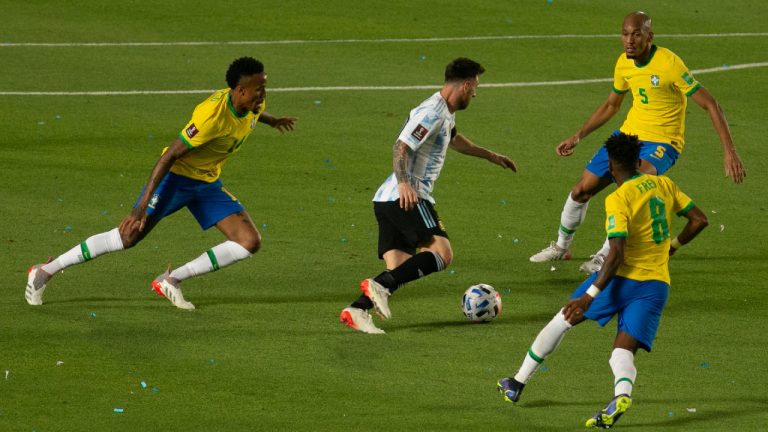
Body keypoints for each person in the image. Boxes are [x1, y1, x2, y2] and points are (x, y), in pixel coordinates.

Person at [25, 57, 297, 310]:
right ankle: (44, 272)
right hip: (176, 179)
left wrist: (273, 121)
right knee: (127, 237)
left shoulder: (252, 105)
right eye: (258, 89)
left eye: (264, 87)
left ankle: (171, 280)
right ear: (239, 90)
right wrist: (139, 208)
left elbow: (252, 114)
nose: (263, 95)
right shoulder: (210, 117)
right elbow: (170, 155)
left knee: (249, 241)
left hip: (206, 182)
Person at [498, 133, 708, 429]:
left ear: (610, 166)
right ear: (638, 161)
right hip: (656, 285)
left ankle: (517, 382)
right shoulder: (665, 184)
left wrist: (590, 295)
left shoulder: (618, 198)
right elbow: (700, 220)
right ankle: (621, 395)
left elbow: (616, 254)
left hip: (620, 279)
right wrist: (672, 247)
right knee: (622, 350)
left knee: (563, 320)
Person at [529, 11, 744, 274]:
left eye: (637, 34)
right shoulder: (623, 63)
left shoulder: (669, 64)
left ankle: (604, 255)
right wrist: (578, 135)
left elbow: (711, 104)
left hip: (662, 142)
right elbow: (612, 105)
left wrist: (729, 152)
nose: (629, 40)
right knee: (581, 190)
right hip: (628, 136)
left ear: (649, 37)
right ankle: (562, 248)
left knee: (633, 187)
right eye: (625, 34)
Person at [340, 57, 517, 334]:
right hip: (407, 195)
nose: (476, 93)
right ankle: (378, 288)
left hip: (386, 200)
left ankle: (357, 309)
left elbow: (454, 138)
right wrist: (404, 184)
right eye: (475, 87)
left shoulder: (445, 113)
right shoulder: (432, 112)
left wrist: (490, 155)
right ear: (466, 85)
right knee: (442, 253)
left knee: (398, 270)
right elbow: (401, 146)